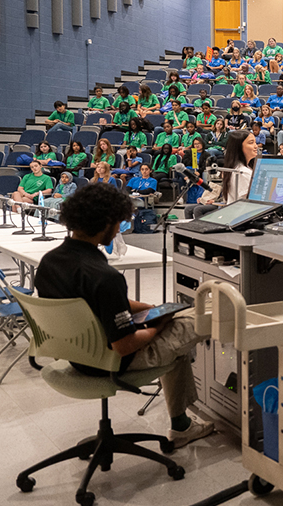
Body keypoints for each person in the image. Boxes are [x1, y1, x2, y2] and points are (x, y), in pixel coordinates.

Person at [35, 184, 214, 448]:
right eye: (119, 222)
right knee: (206, 314)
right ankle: (200, 417)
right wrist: (159, 324)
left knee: (177, 340)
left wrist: (148, 308)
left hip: (77, 355)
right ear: (106, 222)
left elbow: (97, 301)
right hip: (112, 360)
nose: (119, 229)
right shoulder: (105, 277)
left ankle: (182, 425)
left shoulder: (51, 262)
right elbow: (125, 345)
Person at [186, 130, 257, 219]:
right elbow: (249, 202)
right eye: (251, 143)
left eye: (255, 142)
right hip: (241, 217)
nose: (256, 146)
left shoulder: (239, 169)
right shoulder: (242, 172)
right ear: (239, 147)